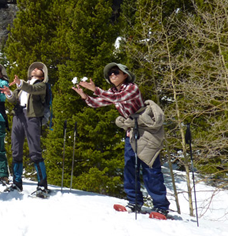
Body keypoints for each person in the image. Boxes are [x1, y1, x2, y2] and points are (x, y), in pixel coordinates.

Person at [72, 62, 170, 216]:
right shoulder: (112, 91)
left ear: (125, 74)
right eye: (110, 74)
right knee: (130, 167)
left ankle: (161, 206)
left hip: (146, 132)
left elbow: (117, 97)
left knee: (150, 167)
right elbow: (99, 102)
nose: (112, 75)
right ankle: (134, 202)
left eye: (116, 72)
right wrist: (85, 96)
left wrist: (95, 90)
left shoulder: (132, 88)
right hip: (131, 132)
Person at [2, 62, 50, 197]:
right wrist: (8, 93)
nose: (36, 69)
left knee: (35, 150)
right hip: (18, 116)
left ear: (43, 75)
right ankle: (17, 183)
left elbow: (32, 90)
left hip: (32, 117)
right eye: (34, 68)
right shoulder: (24, 85)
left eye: (39, 69)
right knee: (16, 149)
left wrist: (20, 83)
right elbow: (13, 99)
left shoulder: (42, 85)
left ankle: (42, 185)